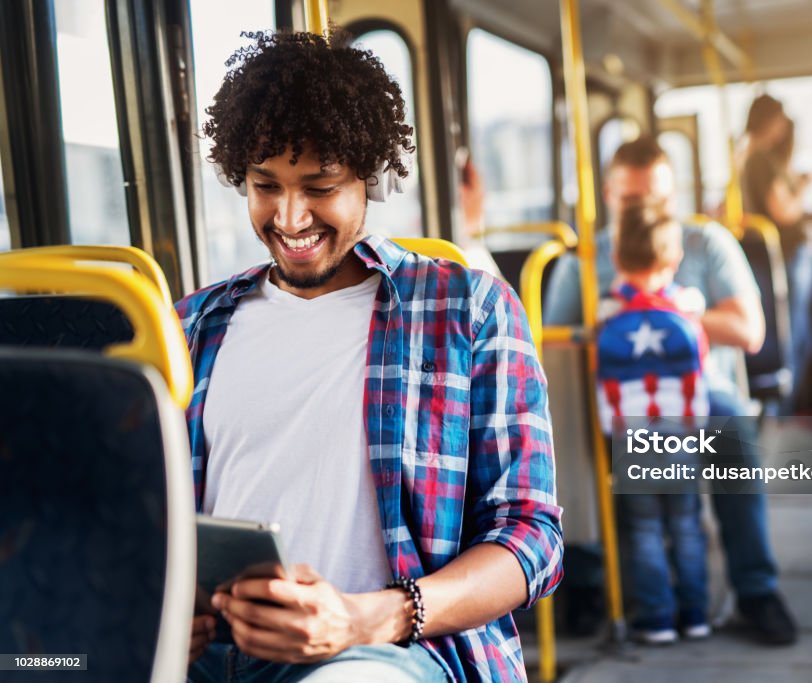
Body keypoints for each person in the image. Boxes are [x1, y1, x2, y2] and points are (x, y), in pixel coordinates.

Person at [176, 29, 562, 683]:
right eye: (265, 185)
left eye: (319, 187)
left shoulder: (466, 310)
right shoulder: (193, 324)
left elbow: (531, 538)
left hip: (383, 653)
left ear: (370, 178)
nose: (289, 217)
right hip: (210, 656)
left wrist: (370, 617)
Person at [544, 137, 799, 645]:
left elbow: (750, 331)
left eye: (655, 200)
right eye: (631, 200)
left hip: (698, 388)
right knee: (565, 434)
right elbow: (556, 349)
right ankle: (589, 581)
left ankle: (755, 587)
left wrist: (670, 315)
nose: (644, 210)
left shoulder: (704, 243)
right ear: (610, 196)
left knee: (732, 430)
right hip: (615, 392)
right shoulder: (584, 260)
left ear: (674, 196)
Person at [595, 199, 711, 644]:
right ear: (675, 257)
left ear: (616, 258)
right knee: (685, 523)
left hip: (632, 435)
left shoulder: (608, 312)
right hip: (681, 433)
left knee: (643, 527)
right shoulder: (687, 305)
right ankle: (696, 614)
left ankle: (657, 618)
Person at [740, 96, 812, 412]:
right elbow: (782, 210)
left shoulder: (752, 157)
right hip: (790, 253)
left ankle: (790, 411)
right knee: (793, 337)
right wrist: (803, 186)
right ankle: (782, 415)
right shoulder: (761, 160)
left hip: (790, 253)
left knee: (805, 337)